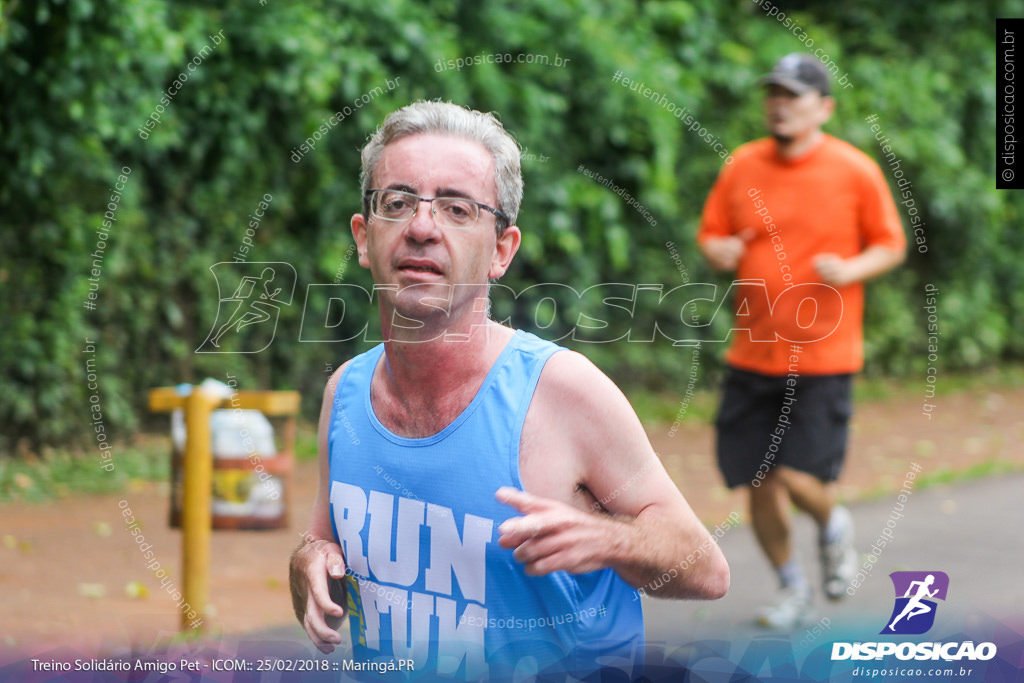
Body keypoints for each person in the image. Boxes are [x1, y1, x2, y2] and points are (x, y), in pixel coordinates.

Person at [290, 101, 730, 680]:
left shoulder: (562, 393)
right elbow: (324, 555)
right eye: (397, 203)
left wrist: (609, 540)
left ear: (501, 250)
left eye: (457, 208)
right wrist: (307, 563)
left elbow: (706, 569)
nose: (422, 228)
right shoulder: (345, 394)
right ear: (364, 237)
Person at [697, 54, 906, 629]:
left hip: (823, 355)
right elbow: (712, 234)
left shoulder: (854, 169)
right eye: (774, 93)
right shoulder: (742, 165)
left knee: (794, 475)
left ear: (824, 107)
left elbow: (891, 244)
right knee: (756, 480)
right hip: (752, 352)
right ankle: (793, 589)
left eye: (793, 94)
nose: (780, 103)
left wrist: (852, 267)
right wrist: (718, 251)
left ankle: (833, 522)